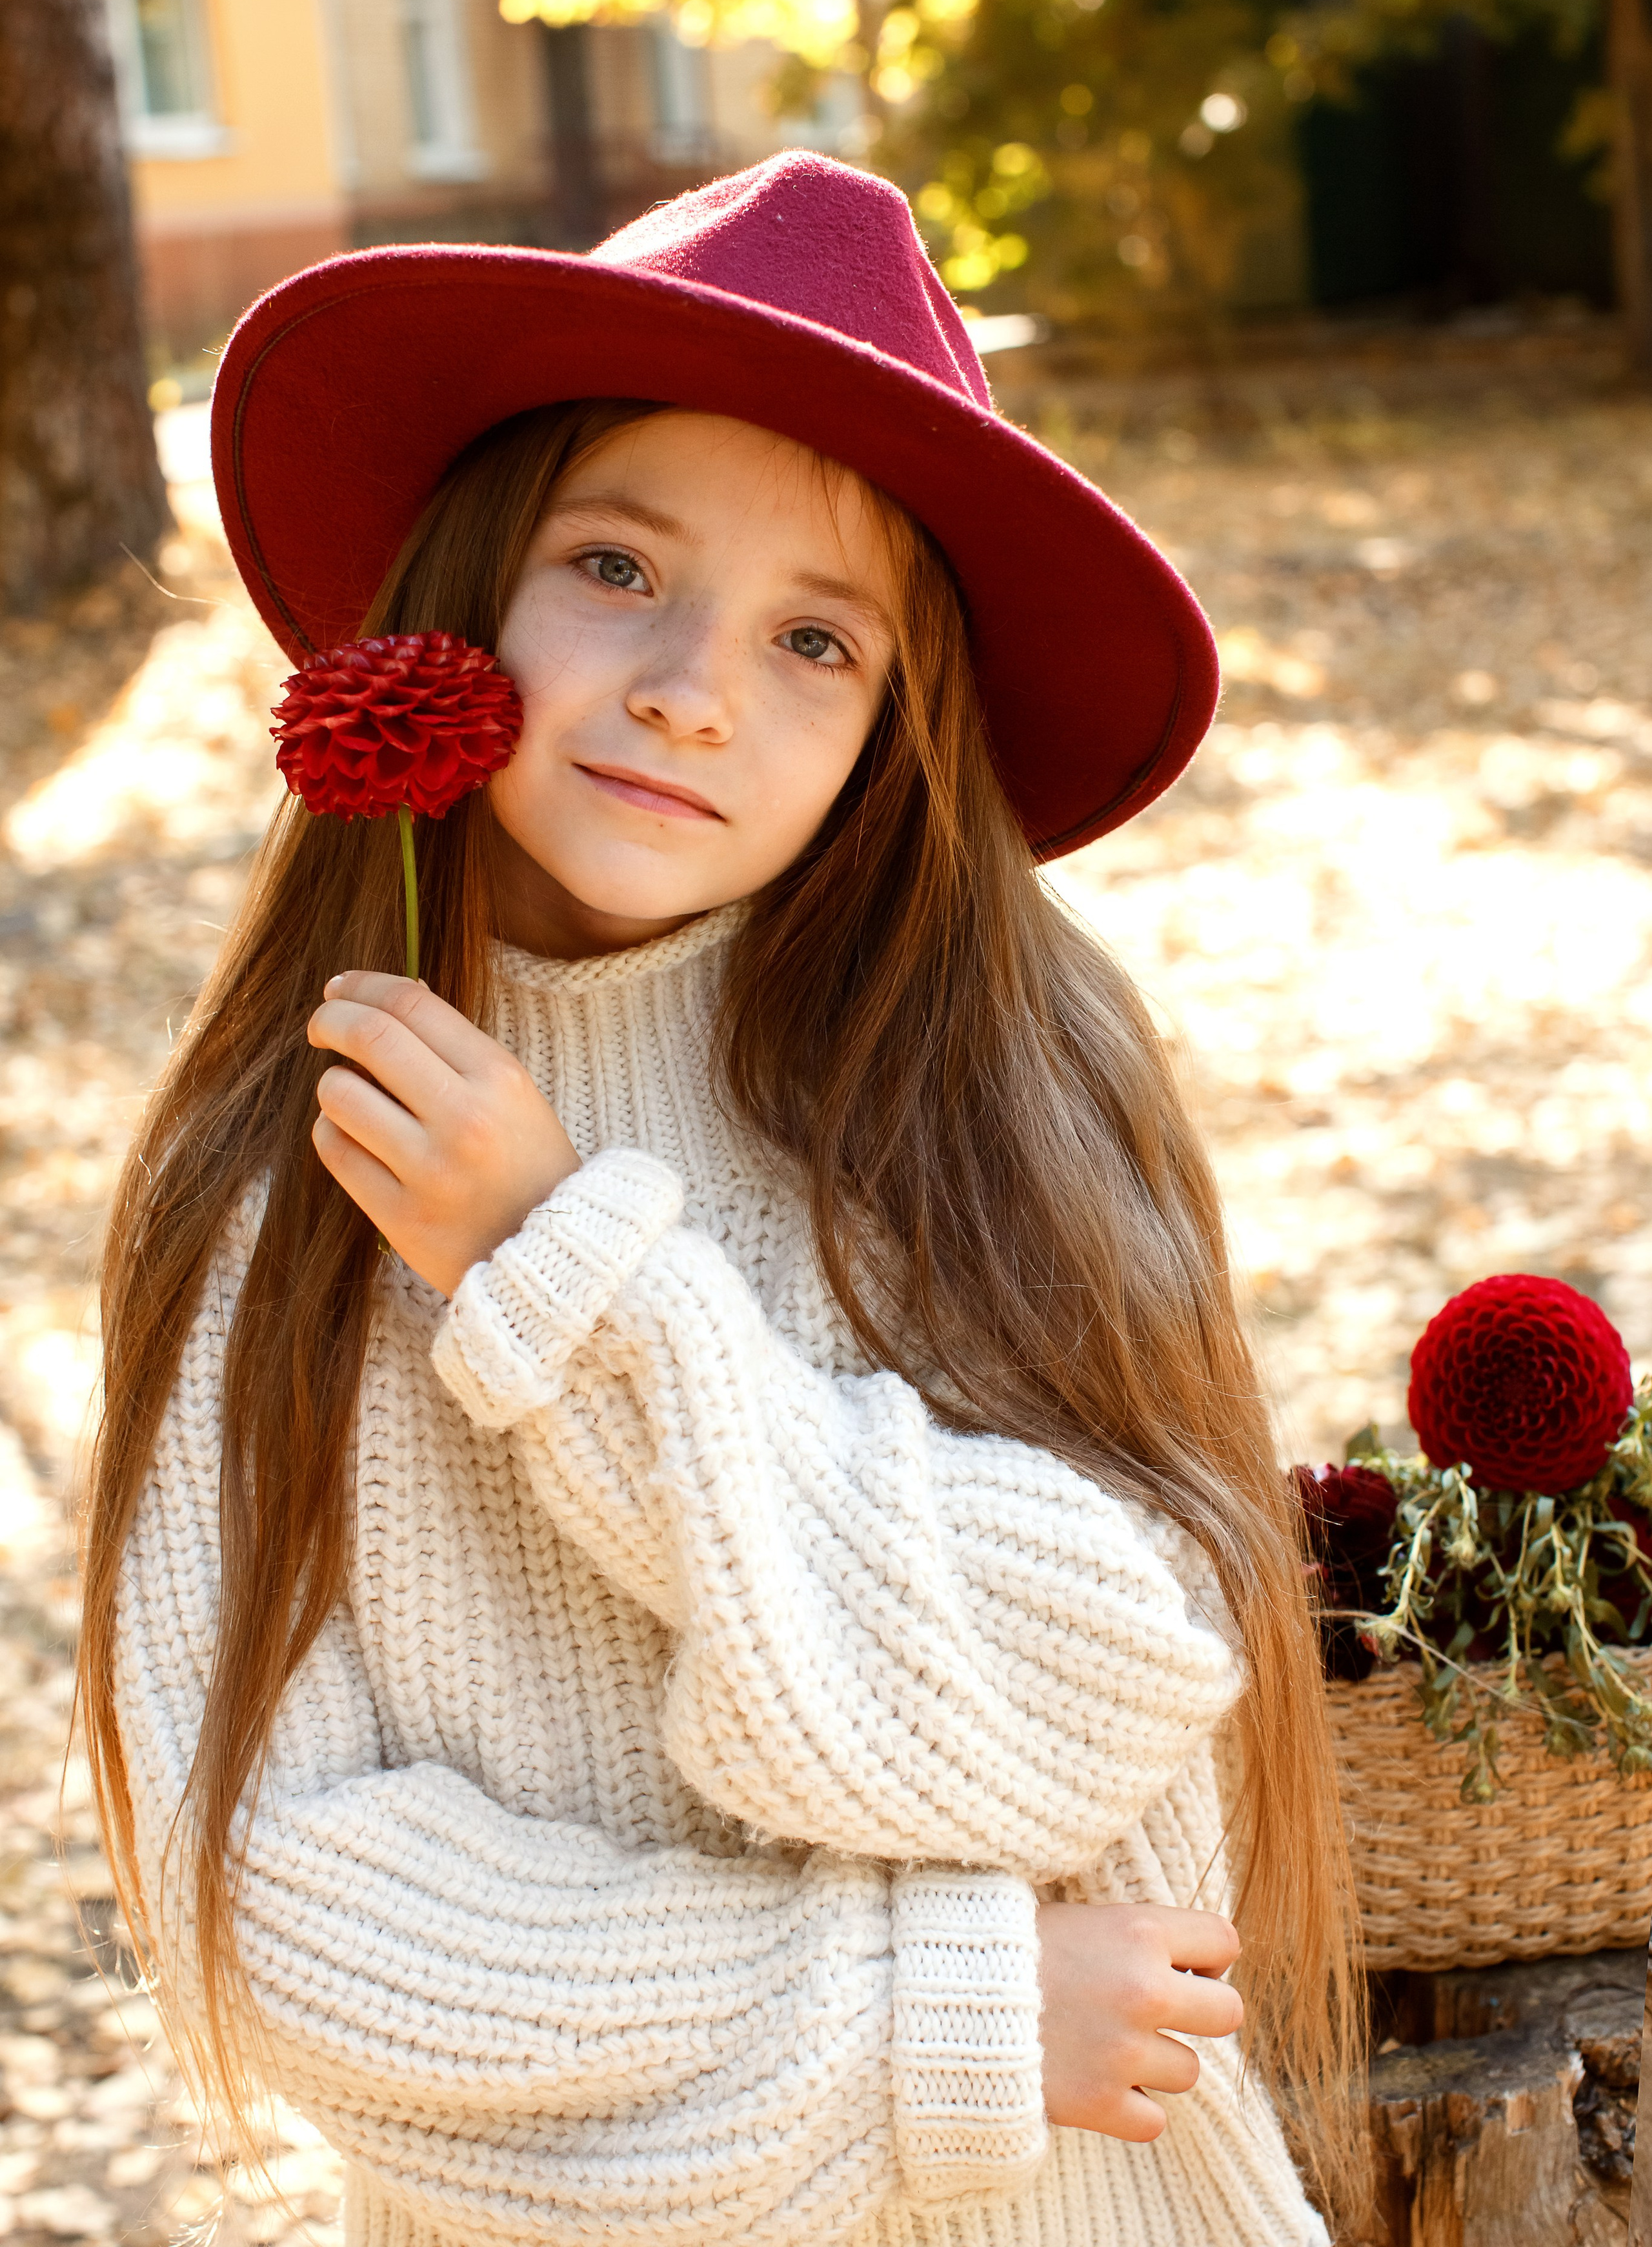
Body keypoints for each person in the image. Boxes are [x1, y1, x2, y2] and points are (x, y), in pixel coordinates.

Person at [75, 152, 1363, 2247]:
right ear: (467, 581)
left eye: (816, 640)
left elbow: (1106, 1682)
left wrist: (572, 1284)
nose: (691, 687)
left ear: (897, 728)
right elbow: (282, 1911)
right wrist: (939, 2014)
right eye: (613, 565)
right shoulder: (275, 1189)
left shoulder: (998, 1091)